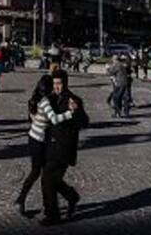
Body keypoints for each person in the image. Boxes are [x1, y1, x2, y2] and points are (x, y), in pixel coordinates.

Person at [15, 75, 76, 216]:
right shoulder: (45, 101)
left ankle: (35, 201)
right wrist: (70, 113)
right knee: (42, 173)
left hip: (35, 138)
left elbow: (31, 117)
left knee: (44, 174)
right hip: (39, 141)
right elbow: (54, 119)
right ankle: (24, 199)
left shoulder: (34, 98)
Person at [41, 69, 88, 226]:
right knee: (53, 180)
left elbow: (84, 122)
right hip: (50, 146)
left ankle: (53, 215)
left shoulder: (73, 99)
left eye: (59, 84)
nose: (57, 87)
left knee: (48, 179)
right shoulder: (50, 98)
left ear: (65, 83)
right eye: (54, 84)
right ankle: (71, 196)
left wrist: (75, 111)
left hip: (64, 148)